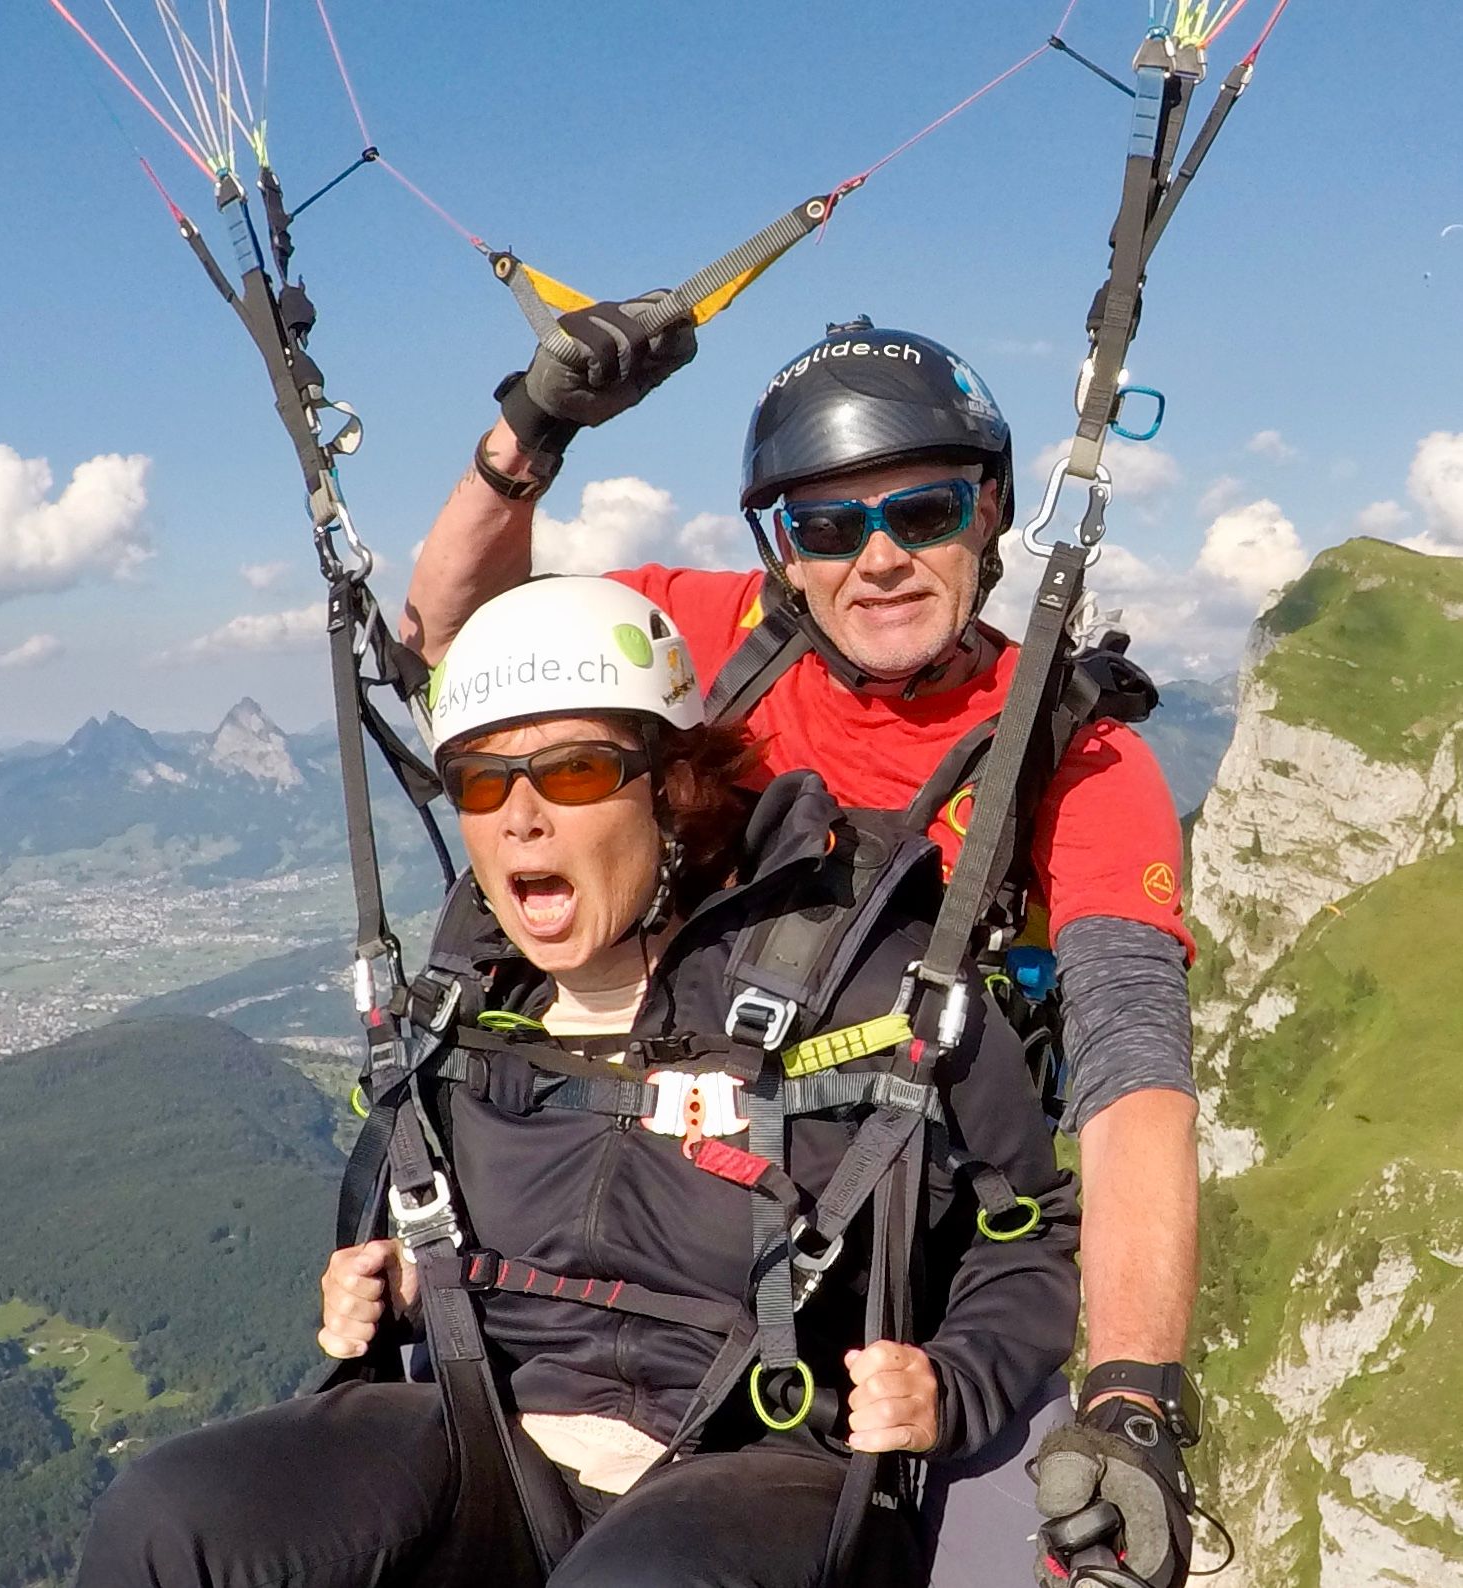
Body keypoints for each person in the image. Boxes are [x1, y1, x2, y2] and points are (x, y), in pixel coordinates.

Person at [401, 307, 1203, 1588]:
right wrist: (530, 429)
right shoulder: (710, 642)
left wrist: (1133, 1397)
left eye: (921, 513)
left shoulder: (1079, 758)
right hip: (668, 1234)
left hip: (915, 1257)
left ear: (990, 512)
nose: (875, 558)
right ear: (781, 548)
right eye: (827, 527)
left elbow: (1131, 1069)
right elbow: (452, 643)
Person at [77, 576, 1079, 1588]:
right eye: (479, 780)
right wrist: (398, 1284)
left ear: (672, 784)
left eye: (574, 771)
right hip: (491, 1438)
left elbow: (1031, 1228)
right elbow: (475, 1220)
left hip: (756, 1462)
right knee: (165, 1520)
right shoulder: (468, 986)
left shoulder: (862, 976)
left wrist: (952, 1386)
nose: (519, 820)